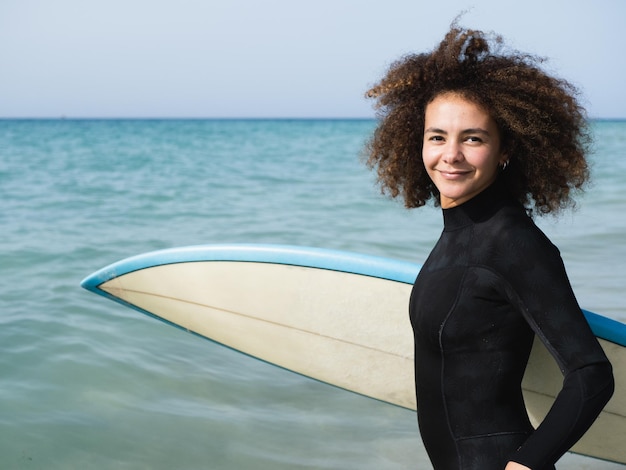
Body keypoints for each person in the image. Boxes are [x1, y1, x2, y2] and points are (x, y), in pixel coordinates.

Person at [364, 24, 614, 470]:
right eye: (437, 136)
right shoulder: (455, 235)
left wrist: (525, 466)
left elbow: (590, 374)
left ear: (503, 150)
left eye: (473, 138)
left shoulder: (513, 242)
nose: (451, 154)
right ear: (416, 141)